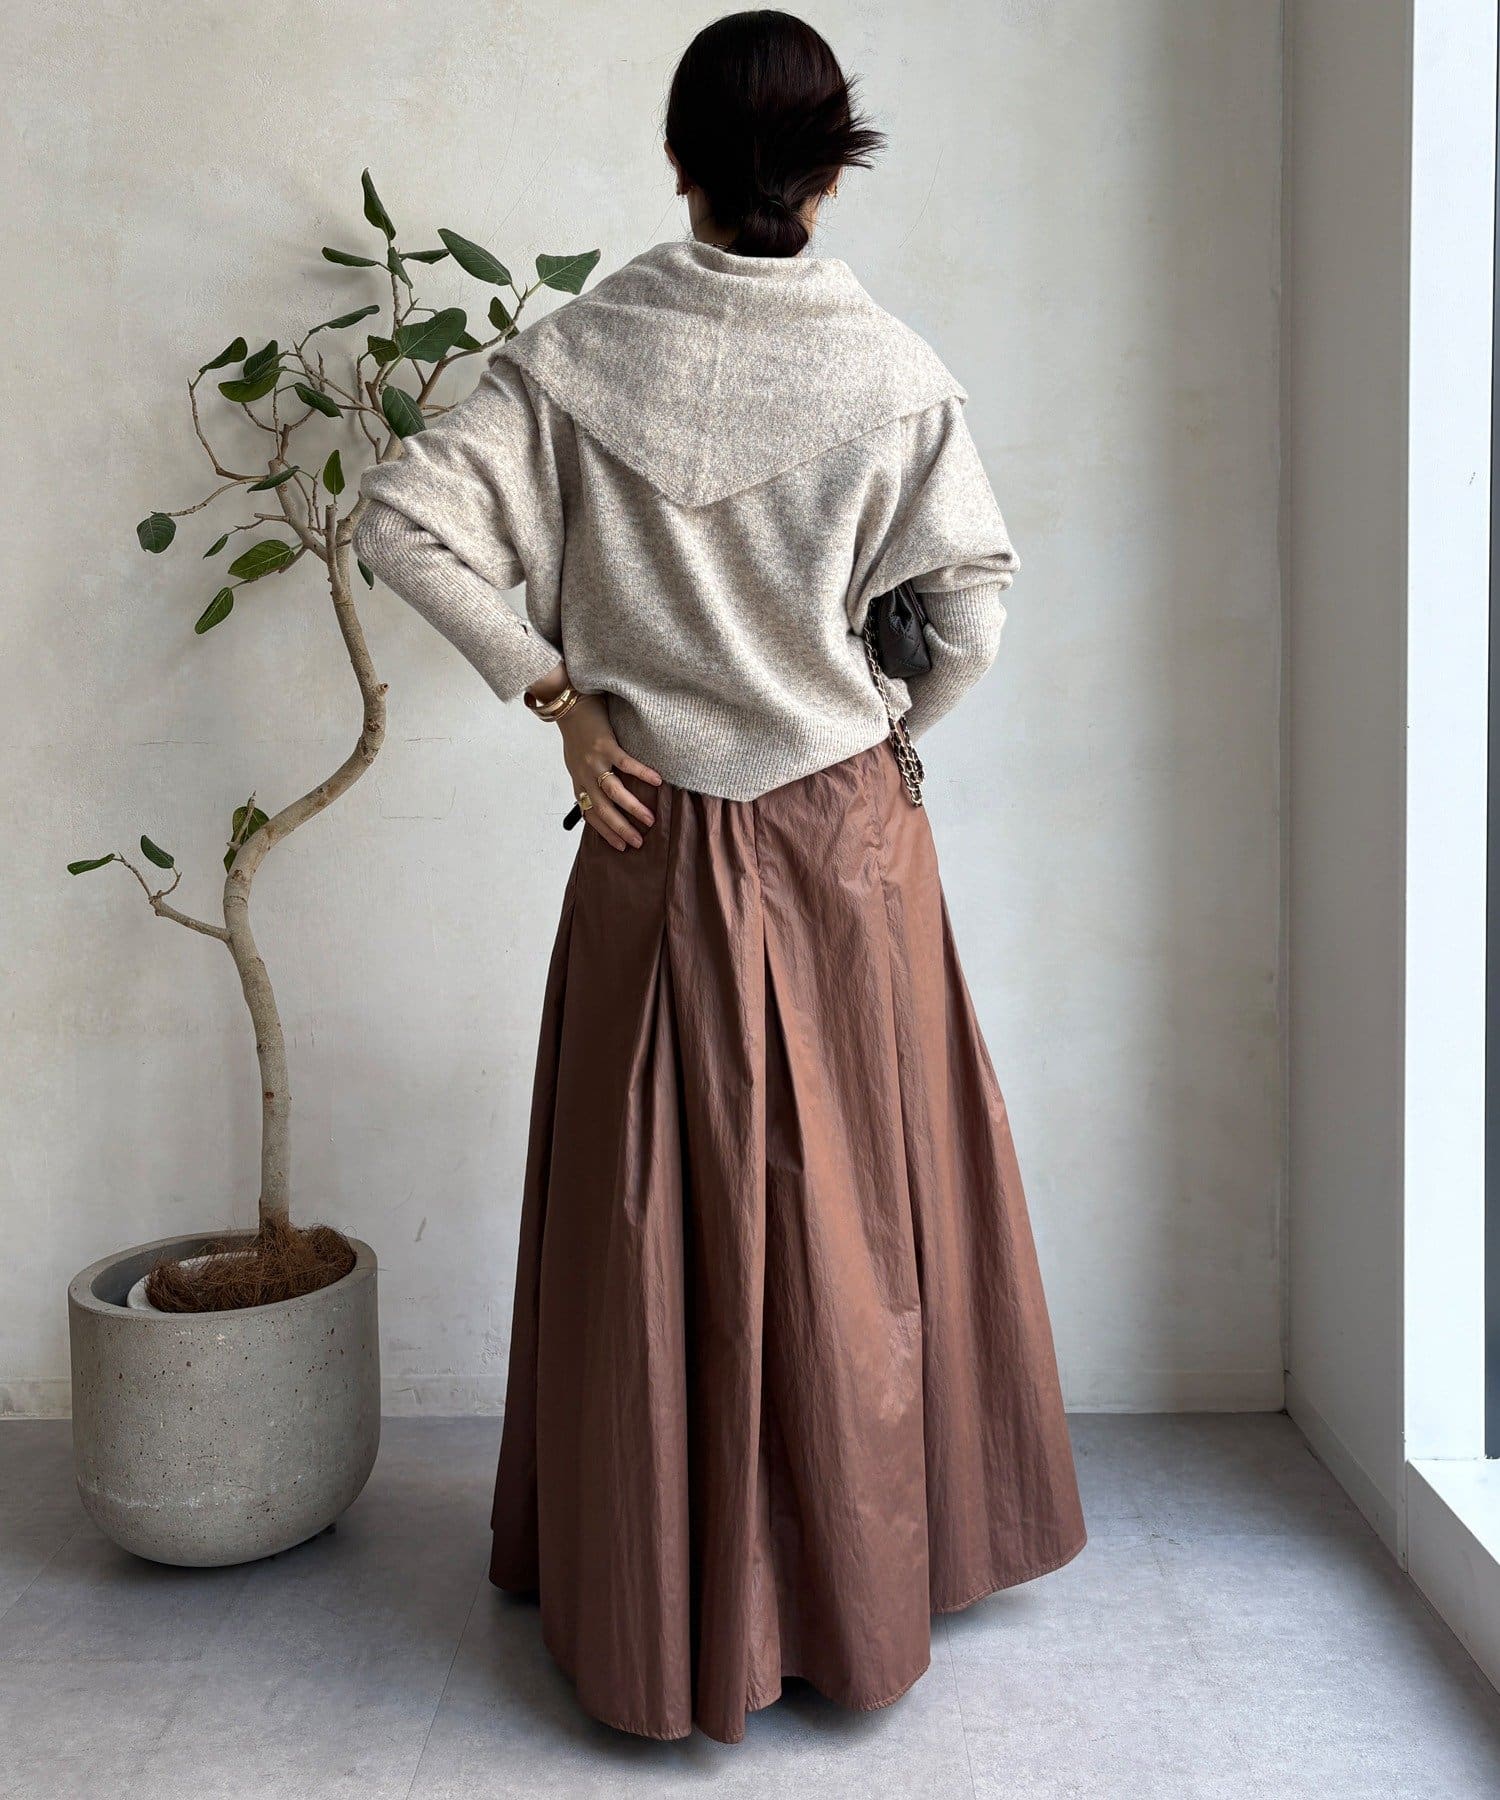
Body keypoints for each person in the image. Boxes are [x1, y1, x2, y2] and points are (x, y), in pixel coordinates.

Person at [353, 7, 1085, 1747]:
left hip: (650, 836)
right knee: (857, 1210)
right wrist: (890, 720)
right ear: (831, 172)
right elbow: (974, 615)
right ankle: (860, 1587)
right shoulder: (896, 375)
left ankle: (655, 1597)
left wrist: (561, 697)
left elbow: (401, 518)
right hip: (843, 843)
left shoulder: (573, 358)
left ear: (678, 161)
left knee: (650, 1215)